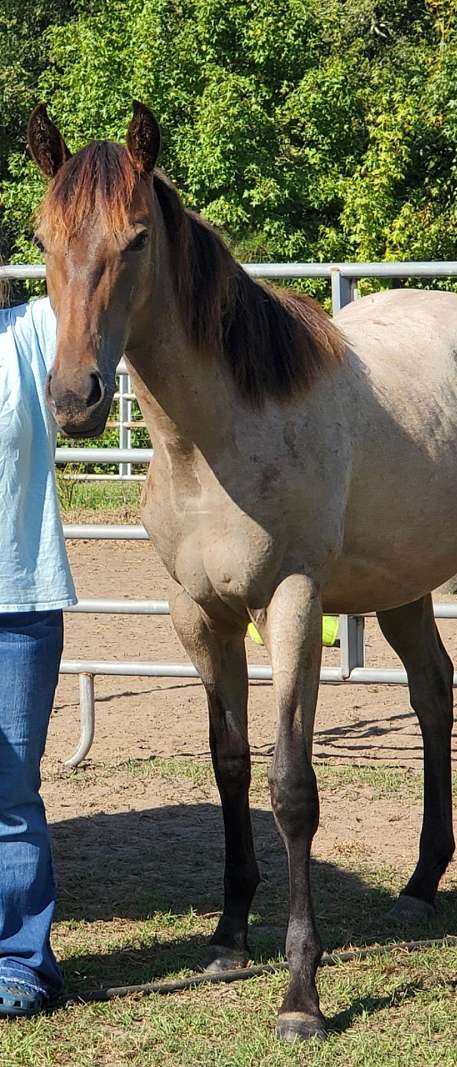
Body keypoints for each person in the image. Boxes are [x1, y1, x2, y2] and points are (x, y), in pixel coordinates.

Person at [0, 288, 76, 1017]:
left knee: (12, 794)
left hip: (17, 602)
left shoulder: (30, 330)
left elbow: (112, 277)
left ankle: (22, 958)